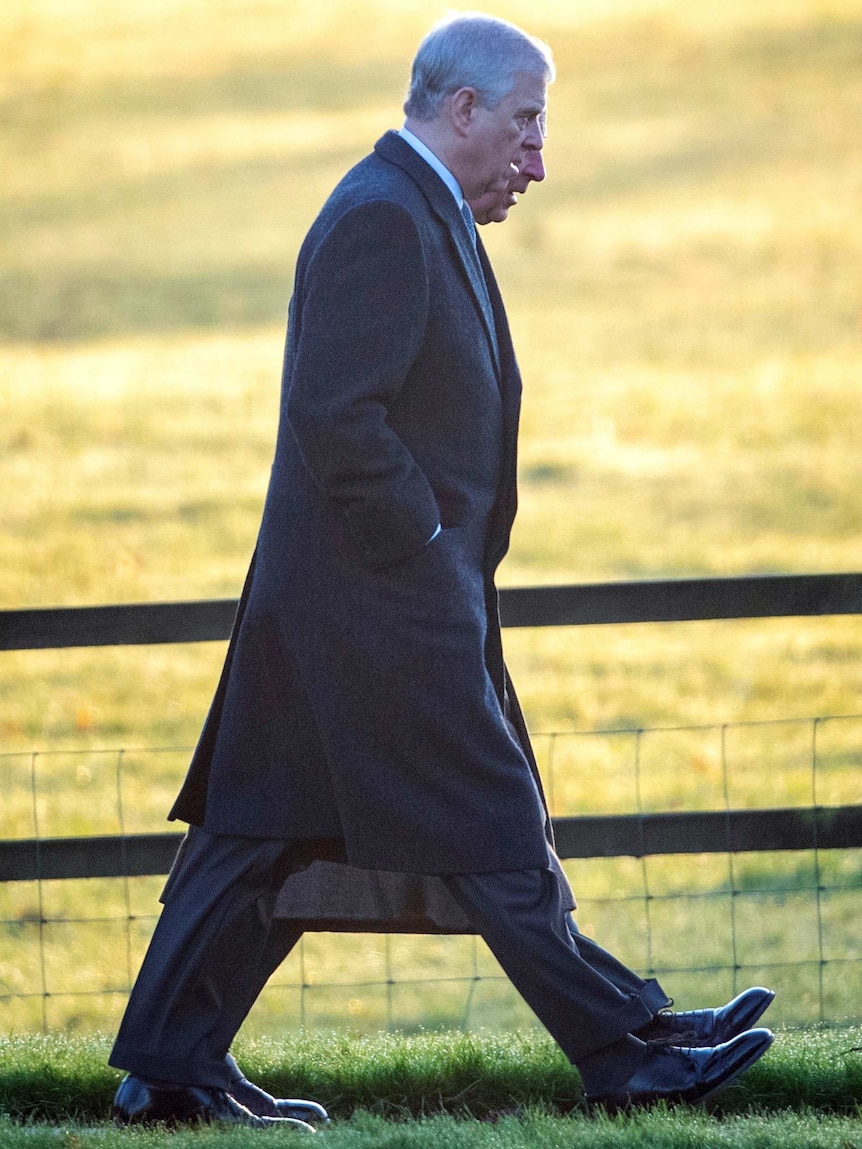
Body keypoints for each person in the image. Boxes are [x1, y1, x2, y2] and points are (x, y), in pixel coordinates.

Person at [109, 14, 774, 1128]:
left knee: (257, 837)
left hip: (352, 613)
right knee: (494, 825)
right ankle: (626, 1050)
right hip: (378, 616)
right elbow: (339, 417)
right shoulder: (381, 218)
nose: (538, 158)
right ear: (460, 110)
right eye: (524, 125)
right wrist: (422, 554)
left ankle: (169, 1072)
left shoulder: (416, 207)